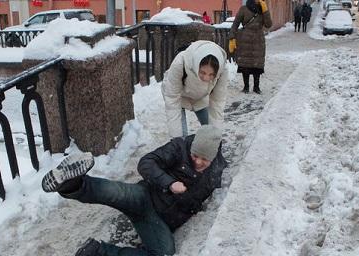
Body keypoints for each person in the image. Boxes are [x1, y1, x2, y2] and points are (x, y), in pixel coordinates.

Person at [42, 125, 227, 256]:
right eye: (195, 155)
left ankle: (97, 251)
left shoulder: (215, 170)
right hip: (145, 196)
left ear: (212, 158)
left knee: (164, 253)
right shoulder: (179, 147)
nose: (198, 162)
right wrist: (169, 183)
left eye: (205, 159)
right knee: (115, 192)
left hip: (158, 221)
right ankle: (70, 183)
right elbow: (146, 163)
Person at [161, 40, 228, 138]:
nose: (206, 78)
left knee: (211, 132)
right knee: (180, 137)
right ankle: (181, 149)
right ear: (197, 65)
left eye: (211, 75)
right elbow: (172, 101)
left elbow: (217, 104)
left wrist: (215, 139)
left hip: (200, 97)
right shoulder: (180, 62)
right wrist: (177, 141)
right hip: (179, 97)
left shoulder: (222, 71)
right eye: (203, 72)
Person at [228, 0, 272, 94]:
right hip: (245, 39)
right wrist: (231, 37)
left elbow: (268, 25)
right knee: (245, 64)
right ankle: (246, 87)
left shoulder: (263, 9)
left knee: (257, 64)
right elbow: (235, 23)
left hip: (258, 40)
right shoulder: (244, 9)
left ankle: (256, 87)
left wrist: (265, 10)